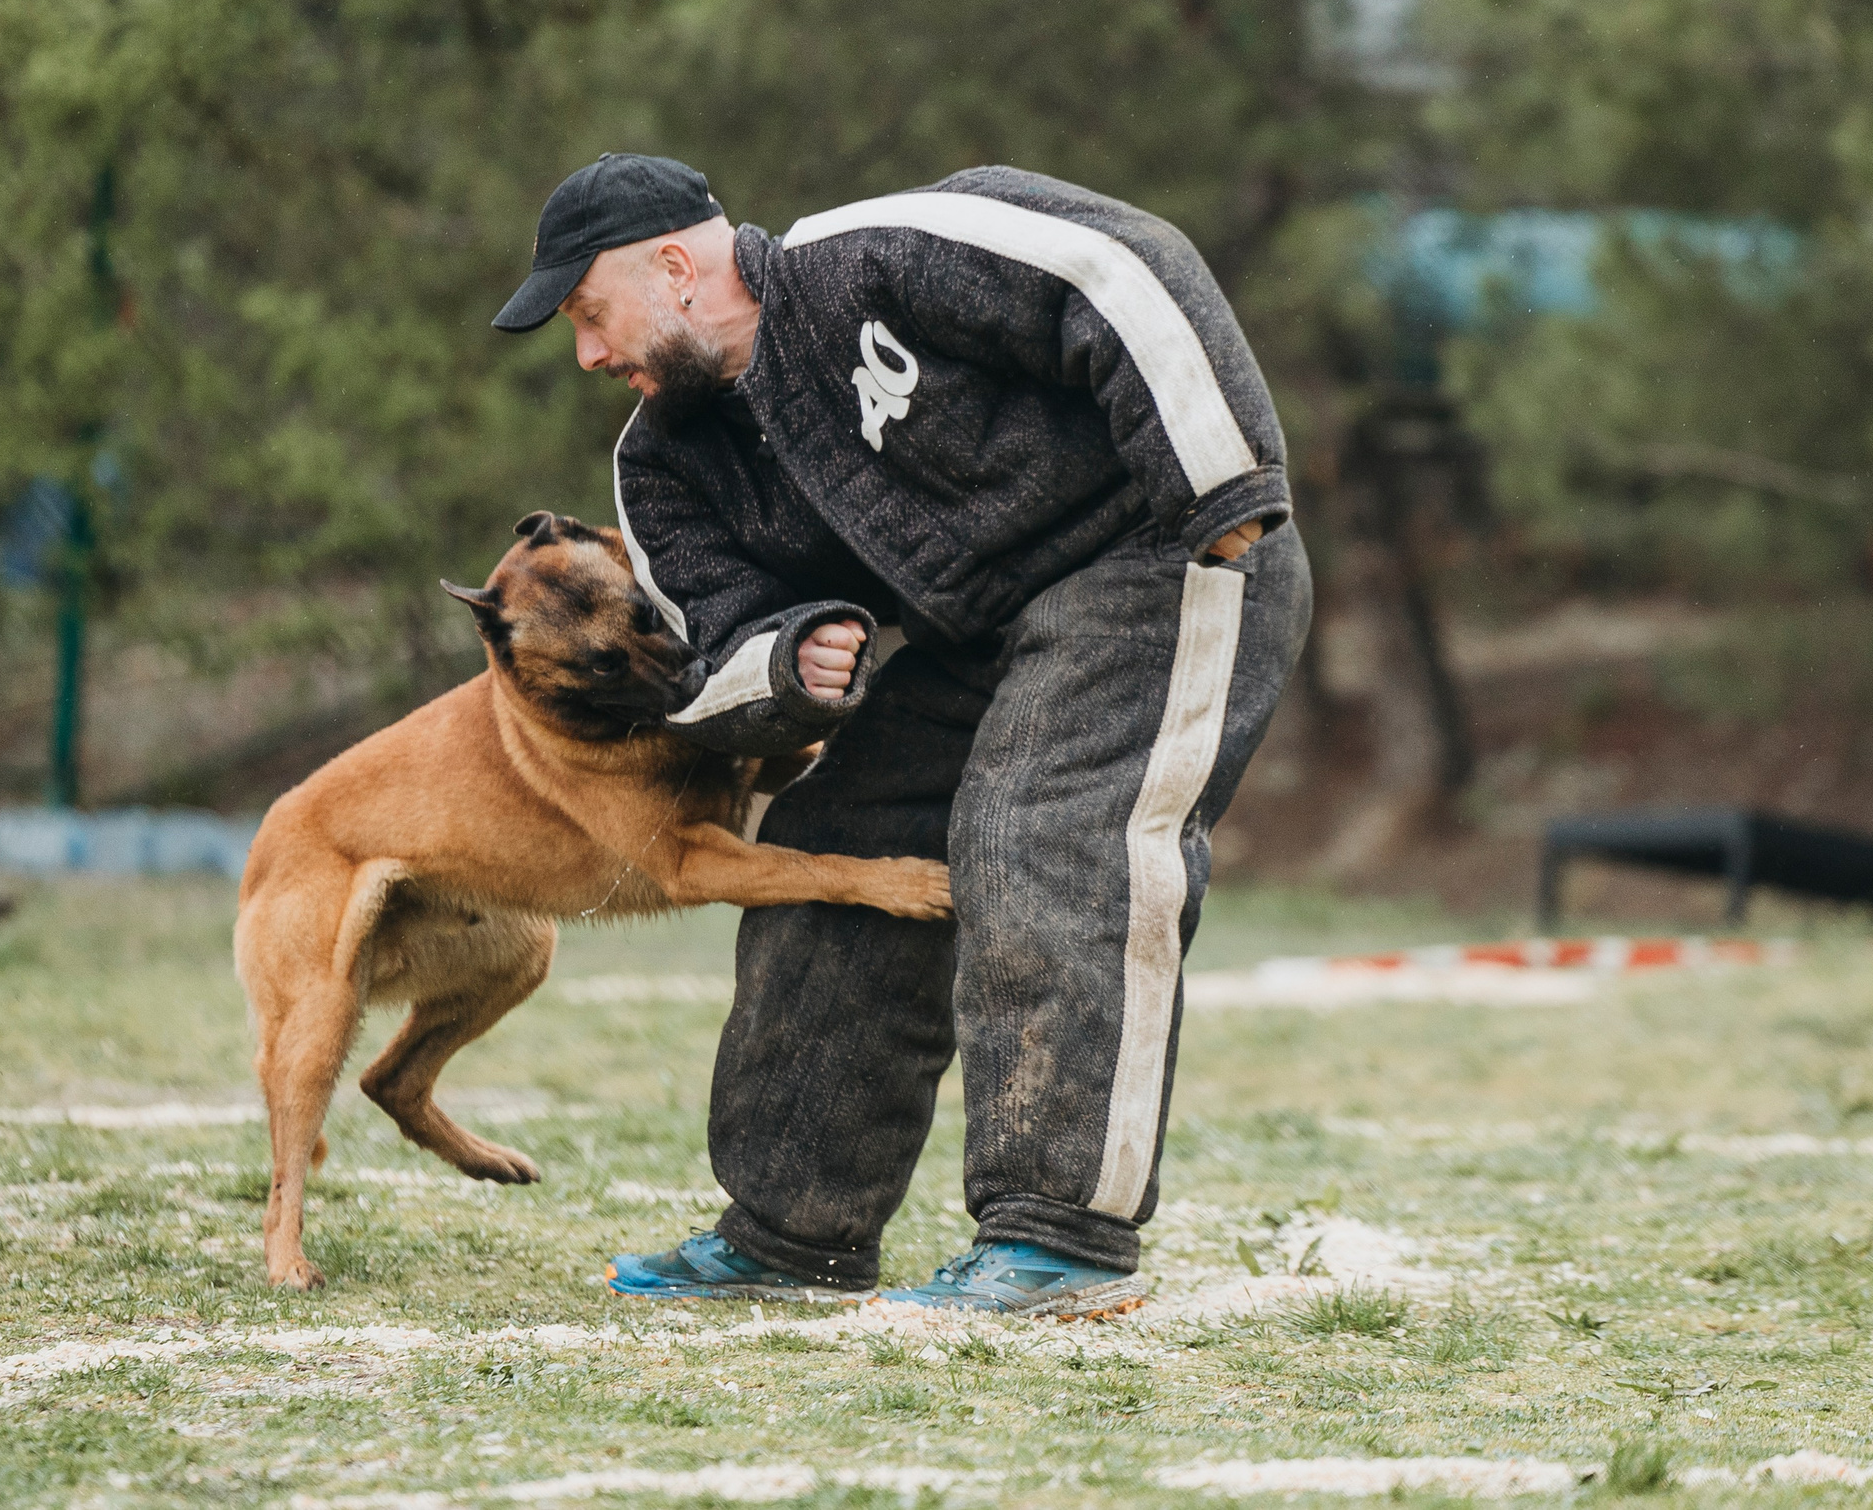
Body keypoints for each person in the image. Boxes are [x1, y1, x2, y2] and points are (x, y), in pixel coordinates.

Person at [492, 153, 1310, 1317]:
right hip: (980, 630)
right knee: (834, 839)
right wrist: (787, 663)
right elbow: (705, 659)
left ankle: (1059, 1240)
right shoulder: (662, 463)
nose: (586, 354)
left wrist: (1221, 482)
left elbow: (1123, 268)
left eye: (588, 312)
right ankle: (793, 1234)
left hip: (1163, 552)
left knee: (1039, 833)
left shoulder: (875, 254)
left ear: (673, 268)